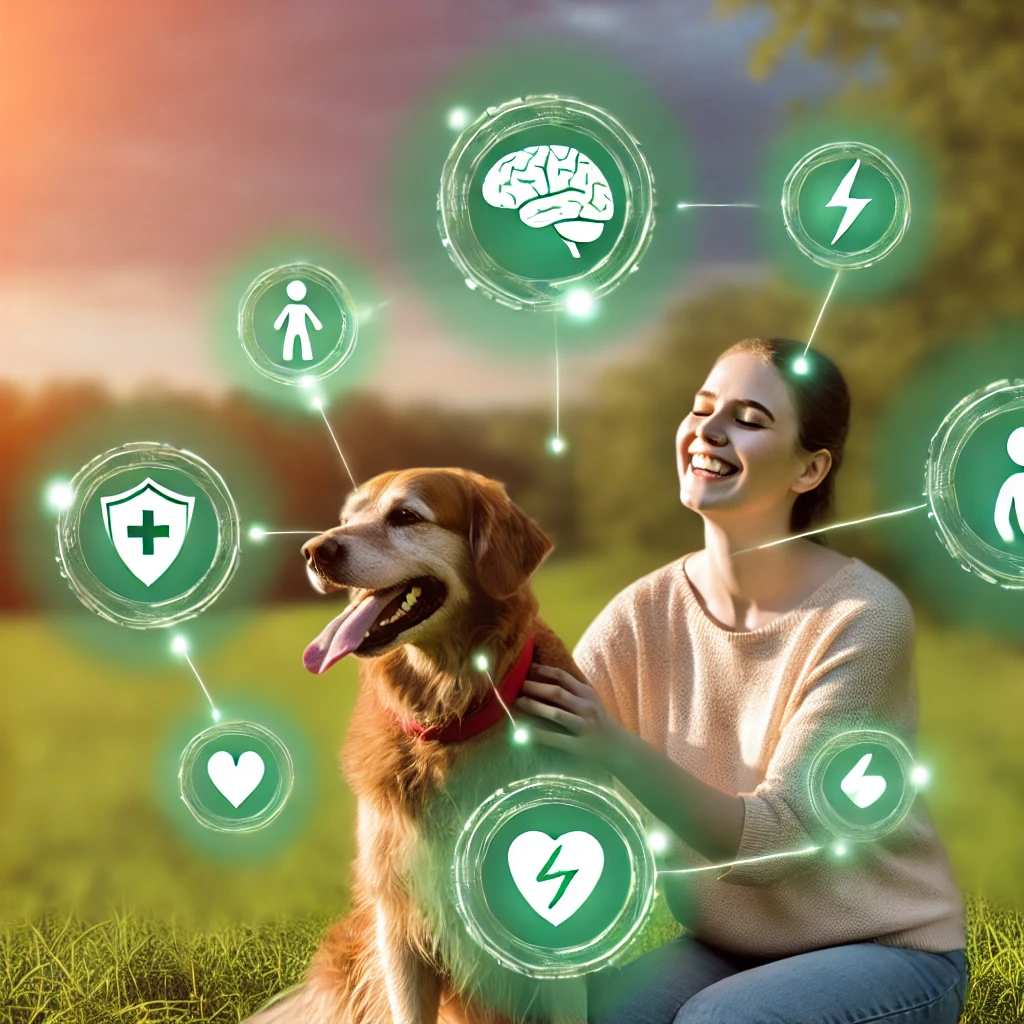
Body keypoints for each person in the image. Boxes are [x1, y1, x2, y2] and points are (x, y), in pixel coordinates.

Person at [514, 337, 968, 1024]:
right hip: (727, 947)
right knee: (575, 1013)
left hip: (889, 951)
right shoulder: (643, 612)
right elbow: (533, 757)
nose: (709, 431)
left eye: (749, 419)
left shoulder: (864, 618)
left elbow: (778, 843)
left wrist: (610, 746)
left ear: (809, 469)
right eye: (701, 408)